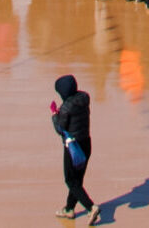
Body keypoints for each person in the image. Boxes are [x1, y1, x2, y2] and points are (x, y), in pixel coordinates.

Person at [50, 71, 95, 220]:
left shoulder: (65, 108)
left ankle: (91, 207)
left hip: (73, 147)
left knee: (70, 180)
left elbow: (60, 130)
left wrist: (54, 115)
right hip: (86, 143)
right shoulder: (84, 98)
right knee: (77, 180)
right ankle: (69, 209)